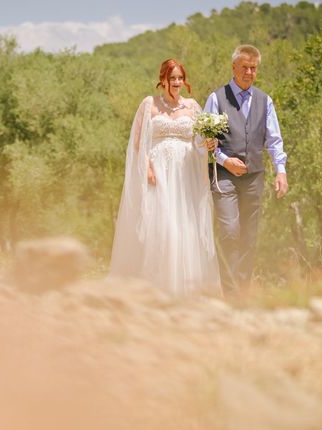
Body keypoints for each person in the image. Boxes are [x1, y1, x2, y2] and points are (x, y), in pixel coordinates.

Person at [110, 59, 220, 296]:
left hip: (185, 173)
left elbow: (201, 142)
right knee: (161, 227)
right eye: (173, 78)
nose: (177, 82)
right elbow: (138, 141)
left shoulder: (192, 107)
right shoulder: (149, 104)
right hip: (159, 173)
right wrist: (147, 168)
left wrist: (211, 142)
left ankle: (185, 289)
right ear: (163, 79)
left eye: (180, 78)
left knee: (184, 228)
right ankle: (156, 288)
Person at [204, 44, 289, 292]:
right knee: (230, 231)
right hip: (224, 177)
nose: (249, 73)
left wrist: (281, 171)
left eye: (253, 68)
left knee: (249, 237)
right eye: (245, 68)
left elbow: (274, 140)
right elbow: (207, 142)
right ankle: (229, 292)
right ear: (233, 67)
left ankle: (242, 291)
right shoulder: (216, 98)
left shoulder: (265, 100)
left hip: (254, 178)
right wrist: (225, 160)